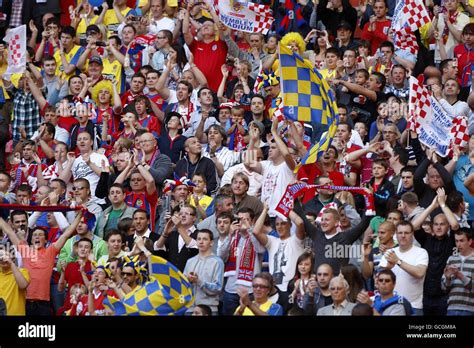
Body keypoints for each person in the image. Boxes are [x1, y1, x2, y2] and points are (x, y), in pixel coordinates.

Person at [0, 212, 82, 315]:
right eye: (34, 235)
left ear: (46, 240)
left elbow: (66, 234)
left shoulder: (51, 251)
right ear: (31, 239)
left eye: (40, 235)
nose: (37, 237)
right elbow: (9, 232)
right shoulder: (25, 250)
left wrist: (80, 215)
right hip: (26, 301)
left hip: (44, 302)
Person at [253, 204, 305, 312]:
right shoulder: (272, 241)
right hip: (273, 290)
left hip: (290, 289)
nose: (279, 227)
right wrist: (265, 210)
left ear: (290, 225)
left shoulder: (296, 241)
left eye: (283, 223)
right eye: (277, 224)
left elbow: (300, 223)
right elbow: (256, 231)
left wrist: (285, 207)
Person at [382, 221, 428, 315]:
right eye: (400, 233)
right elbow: (379, 279)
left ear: (412, 234)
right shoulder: (389, 252)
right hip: (390, 305)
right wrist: (387, 268)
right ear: (396, 234)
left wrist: (398, 261)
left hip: (413, 307)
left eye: (406, 233)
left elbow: (419, 273)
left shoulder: (421, 252)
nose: (403, 235)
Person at [183, 229, 224, 316]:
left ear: (211, 243)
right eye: (199, 239)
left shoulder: (217, 262)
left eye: (205, 239)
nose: (201, 242)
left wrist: (199, 281)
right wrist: (187, 280)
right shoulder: (190, 261)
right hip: (190, 309)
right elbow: (182, 286)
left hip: (208, 310)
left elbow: (218, 288)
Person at [154, 204, 199, 272]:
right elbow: (157, 248)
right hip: (172, 277)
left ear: (194, 218)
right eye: (180, 214)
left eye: (187, 213)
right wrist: (165, 233)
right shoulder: (173, 234)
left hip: (190, 277)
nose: (183, 216)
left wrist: (179, 227)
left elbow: (195, 248)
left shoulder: (199, 234)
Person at [441, 229, 474, 316]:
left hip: (470, 309)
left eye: (461, 241)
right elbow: (444, 288)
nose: (458, 244)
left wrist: (459, 275)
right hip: (451, 308)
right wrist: (447, 278)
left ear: (470, 241)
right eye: (456, 241)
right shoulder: (451, 259)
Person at [0, 244, 30, 315]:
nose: (2, 258)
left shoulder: (22, 272)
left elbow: (23, 285)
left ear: (13, 258)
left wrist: (11, 263)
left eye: (6, 255)